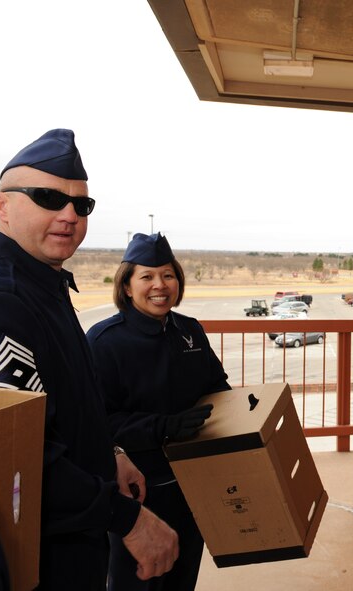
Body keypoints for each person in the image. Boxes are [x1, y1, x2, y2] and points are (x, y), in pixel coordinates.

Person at [0, 129, 179, 589]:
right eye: (47, 197)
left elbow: (68, 407)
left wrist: (110, 453)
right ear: (1, 205)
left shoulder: (44, 285)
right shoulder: (4, 299)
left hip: (76, 539)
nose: (69, 215)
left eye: (82, 205)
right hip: (37, 555)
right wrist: (130, 520)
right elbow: (18, 456)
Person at [87, 232, 231, 591]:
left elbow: (218, 387)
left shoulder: (190, 331)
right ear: (126, 286)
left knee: (183, 576)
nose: (159, 285)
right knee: (137, 582)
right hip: (138, 493)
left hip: (194, 485)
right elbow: (98, 423)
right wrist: (163, 427)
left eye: (168, 275)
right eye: (147, 276)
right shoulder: (104, 342)